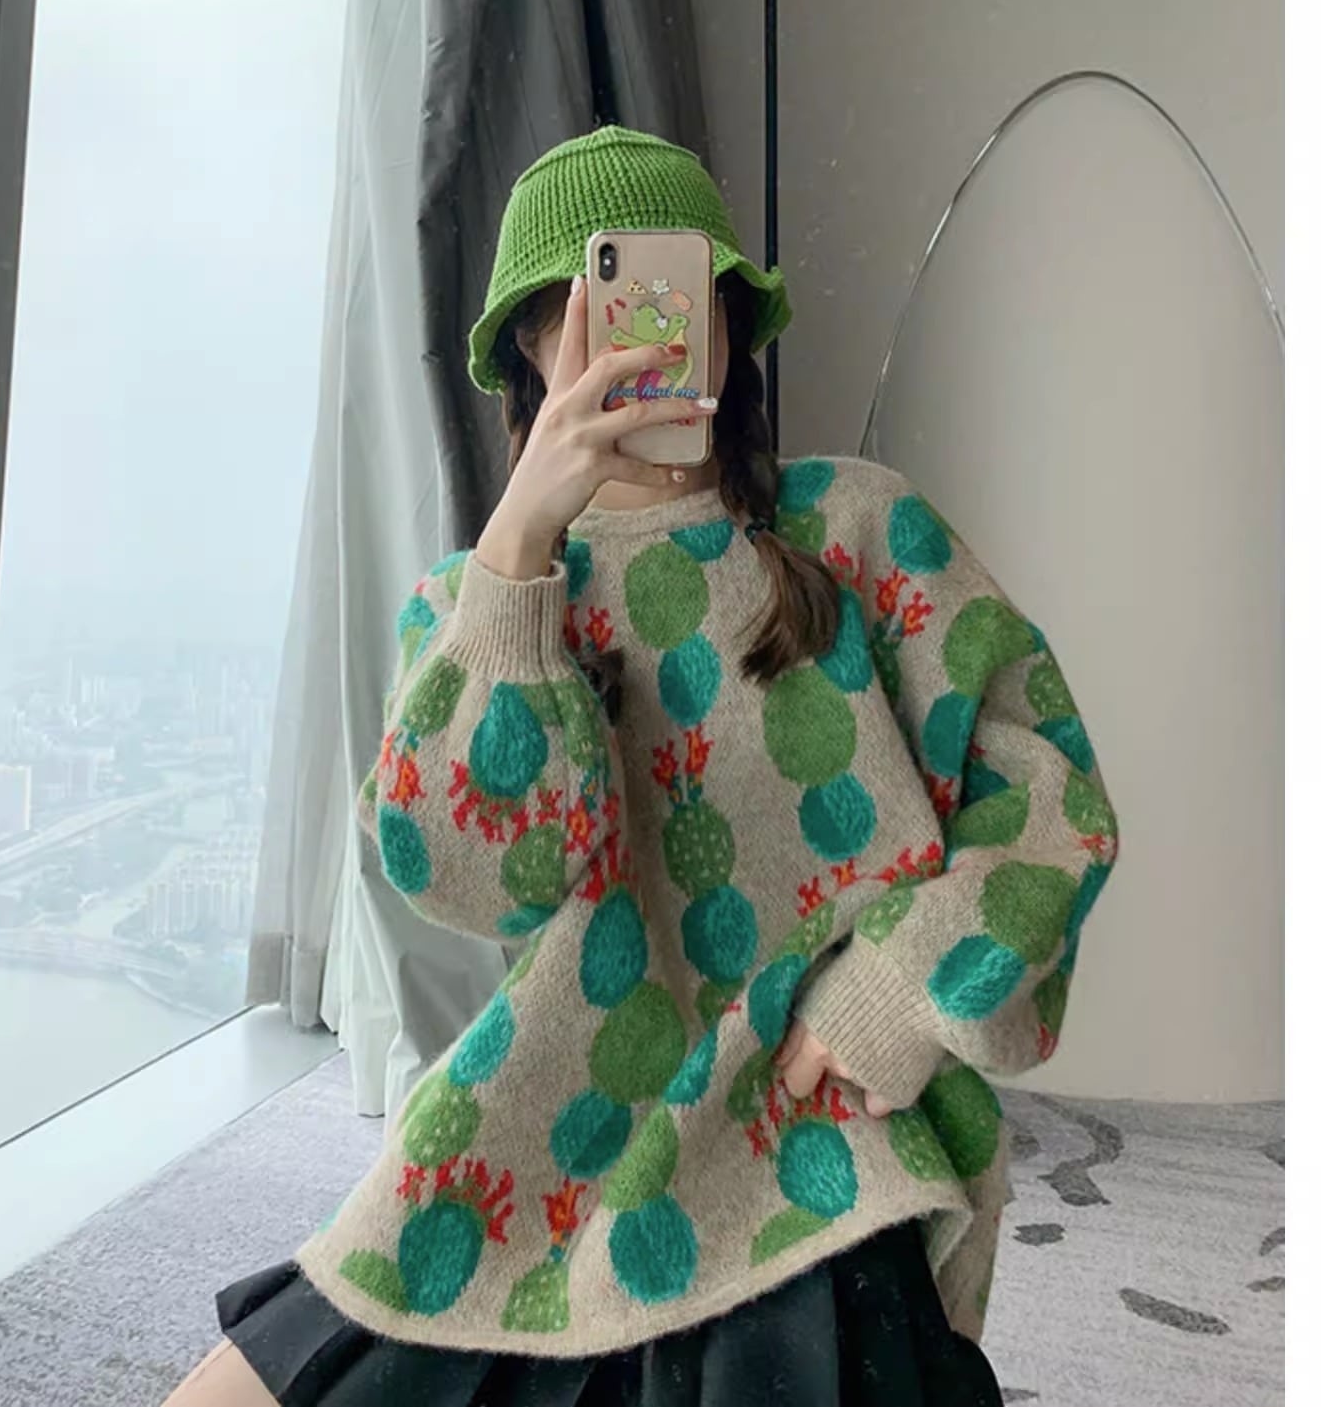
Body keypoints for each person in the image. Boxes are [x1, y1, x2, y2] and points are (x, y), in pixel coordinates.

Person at [163, 125, 1118, 1407]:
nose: (631, 337)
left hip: (808, 1140)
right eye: (582, 308)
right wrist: (515, 562)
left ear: (727, 321)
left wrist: (896, 990)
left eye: (673, 294)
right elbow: (466, 879)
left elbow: (1049, 793)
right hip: (535, 1124)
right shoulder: (475, 603)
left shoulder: (856, 527)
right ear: (527, 349)